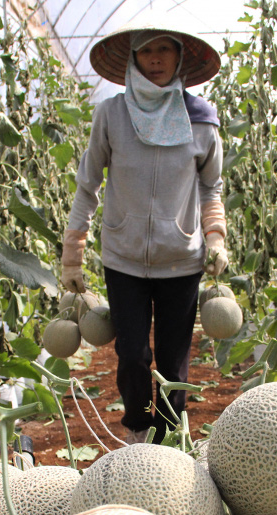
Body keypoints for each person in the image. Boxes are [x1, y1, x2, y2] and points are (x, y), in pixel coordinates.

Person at [60, 21, 228, 444]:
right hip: (124, 258)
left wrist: (215, 237)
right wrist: (72, 254)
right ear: (133, 59)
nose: (155, 58)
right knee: (133, 355)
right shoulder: (112, 114)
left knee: (174, 366)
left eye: (164, 50)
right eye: (146, 51)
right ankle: (136, 429)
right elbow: (88, 184)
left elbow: (211, 186)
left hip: (182, 261)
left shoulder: (202, 121)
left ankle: (169, 442)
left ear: (179, 57)